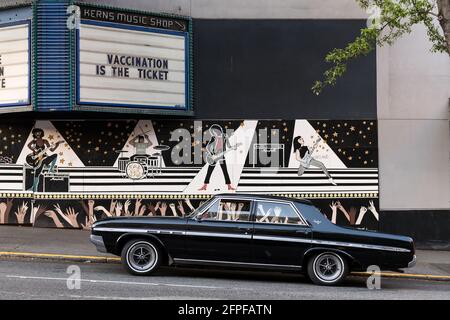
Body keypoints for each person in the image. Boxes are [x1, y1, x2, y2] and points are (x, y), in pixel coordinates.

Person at [198, 124, 237, 191]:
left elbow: (228, 146)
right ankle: (205, 185)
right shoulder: (213, 138)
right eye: (213, 132)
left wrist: (232, 147)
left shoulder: (225, 136)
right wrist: (212, 154)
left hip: (221, 155)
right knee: (209, 171)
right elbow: (207, 147)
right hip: (214, 156)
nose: (214, 133)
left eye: (214, 132)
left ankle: (229, 186)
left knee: (225, 170)